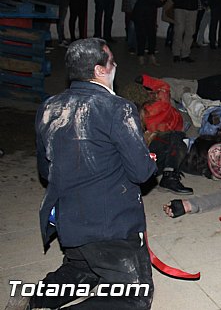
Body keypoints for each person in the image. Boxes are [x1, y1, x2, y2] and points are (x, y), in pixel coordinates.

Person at [30, 38, 156, 309]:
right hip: (109, 227)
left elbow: (45, 168)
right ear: (100, 70)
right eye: (111, 61)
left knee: (81, 269)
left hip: (69, 222)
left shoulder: (48, 107)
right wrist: (146, 157)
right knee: (134, 298)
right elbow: (142, 172)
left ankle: (28, 301)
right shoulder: (117, 108)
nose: (115, 65)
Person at [133, 0, 164, 65]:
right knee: (142, 35)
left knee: (151, 34)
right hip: (141, 14)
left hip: (149, 15)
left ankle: (151, 55)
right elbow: (157, 2)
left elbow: (156, 3)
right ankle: (141, 55)